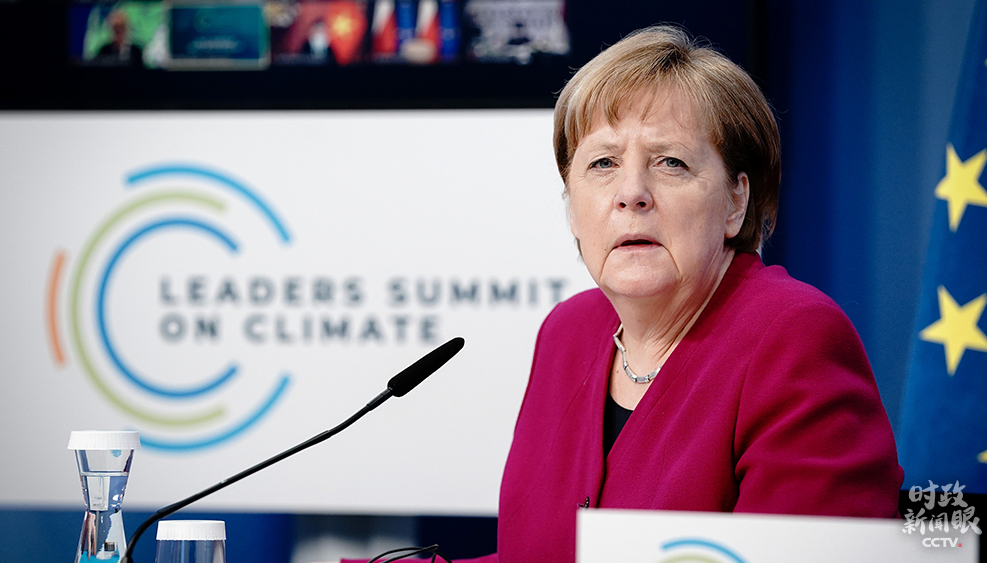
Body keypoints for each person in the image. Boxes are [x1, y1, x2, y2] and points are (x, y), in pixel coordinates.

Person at [346, 23, 903, 563]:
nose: (631, 193)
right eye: (603, 163)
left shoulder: (792, 336)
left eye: (671, 162)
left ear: (736, 202)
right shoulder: (569, 332)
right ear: (571, 206)